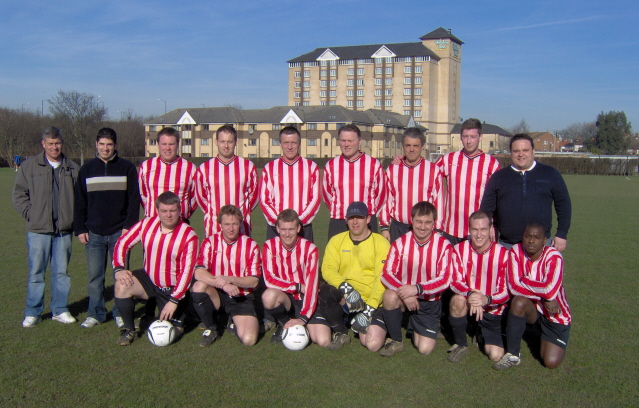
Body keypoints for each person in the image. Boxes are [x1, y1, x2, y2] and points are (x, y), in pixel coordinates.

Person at [12, 127, 79, 327]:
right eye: (50, 143)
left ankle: (60, 309)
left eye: (57, 143)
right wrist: (31, 214)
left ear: (62, 143)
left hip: (63, 231)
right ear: (43, 144)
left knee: (61, 273)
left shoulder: (72, 168)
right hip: (38, 230)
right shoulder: (30, 166)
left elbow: (81, 199)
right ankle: (33, 311)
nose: (54, 147)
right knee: (36, 272)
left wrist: (73, 219)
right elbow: (18, 195)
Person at [112, 192, 198, 346]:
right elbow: (123, 242)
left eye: (172, 211)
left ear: (179, 211)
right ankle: (129, 329)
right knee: (121, 285)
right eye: (164, 211)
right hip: (149, 281)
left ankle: (184, 311)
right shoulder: (147, 224)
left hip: (171, 289)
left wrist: (174, 300)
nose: (168, 215)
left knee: (173, 330)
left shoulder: (188, 235)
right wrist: (118, 268)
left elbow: (187, 272)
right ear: (158, 210)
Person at [368, 201, 453, 357]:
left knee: (424, 349)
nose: (422, 226)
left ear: (434, 223)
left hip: (428, 302)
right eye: (418, 221)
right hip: (403, 298)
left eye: (428, 222)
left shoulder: (444, 245)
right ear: (412, 221)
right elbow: (387, 274)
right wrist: (405, 293)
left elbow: (445, 279)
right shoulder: (400, 243)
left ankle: (411, 323)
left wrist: (417, 289)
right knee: (389, 296)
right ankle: (396, 340)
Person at [74, 128, 140, 328]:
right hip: (93, 233)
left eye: (109, 144)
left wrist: (128, 227)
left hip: (119, 234)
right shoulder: (87, 169)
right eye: (102, 144)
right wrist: (80, 228)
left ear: (115, 146)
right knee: (95, 277)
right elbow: (79, 202)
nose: (105, 148)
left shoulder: (127, 168)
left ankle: (120, 312)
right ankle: (96, 313)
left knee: (121, 276)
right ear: (96, 144)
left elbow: (133, 201)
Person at [493, 222, 571, 370]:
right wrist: (544, 297)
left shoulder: (554, 257)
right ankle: (512, 355)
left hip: (556, 315)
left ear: (545, 240)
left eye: (536, 237)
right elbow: (514, 287)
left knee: (550, 363)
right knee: (518, 302)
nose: (531, 240)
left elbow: (550, 290)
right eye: (527, 236)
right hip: (534, 311)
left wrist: (525, 280)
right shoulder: (516, 251)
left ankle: (541, 337)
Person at [480, 134, 572, 251]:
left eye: (525, 150)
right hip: (508, 245)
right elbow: (486, 208)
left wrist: (561, 234)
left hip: (541, 245)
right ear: (511, 153)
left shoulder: (550, 174)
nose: (521, 154)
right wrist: (489, 226)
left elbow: (564, 205)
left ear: (533, 151)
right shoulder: (499, 177)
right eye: (516, 151)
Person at [319, 201, 390, 350]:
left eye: (359, 217)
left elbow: (382, 278)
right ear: (346, 220)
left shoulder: (380, 243)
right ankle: (341, 332)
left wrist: (369, 308)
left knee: (371, 344)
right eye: (351, 218)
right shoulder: (337, 241)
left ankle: (373, 322)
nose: (355, 222)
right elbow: (327, 269)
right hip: (349, 298)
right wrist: (347, 289)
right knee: (326, 291)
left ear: (368, 219)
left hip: (372, 300)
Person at [191, 205, 261, 347]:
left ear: (240, 224)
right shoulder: (210, 242)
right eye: (227, 224)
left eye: (235, 224)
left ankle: (232, 318)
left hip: (241, 297)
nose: (231, 228)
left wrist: (231, 279)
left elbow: (254, 281)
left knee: (249, 340)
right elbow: (198, 272)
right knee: (198, 286)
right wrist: (223, 284)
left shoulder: (251, 245)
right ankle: (211, 328)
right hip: (217, 294)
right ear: (220, 225)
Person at [261, 209, 331, 347]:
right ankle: (284, 323)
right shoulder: (269, 246)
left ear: (298, 228)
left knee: (323, 341)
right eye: (284, 229)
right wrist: (297, 286)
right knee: (268, 296)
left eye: (291, 229)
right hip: (285, 298)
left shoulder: (310, 249)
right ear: (277, 228)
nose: (287, 234)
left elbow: (311, 286)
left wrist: (304, 318)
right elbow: (269, 279)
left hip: (305, 298)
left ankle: (302, 322)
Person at [448, 211, 509, 363]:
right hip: (470, 301)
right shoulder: (459, 249)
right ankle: (461, 344)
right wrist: (472, 294)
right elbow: (455, 281)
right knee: (456, 301)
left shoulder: (503, 254)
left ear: (490, 230)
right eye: (475, 229)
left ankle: (481, 332)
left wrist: (485, 299)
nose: (479, 234)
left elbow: (506, 292)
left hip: (492, 307)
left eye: (483, 229)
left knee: (495, 355)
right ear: (469, 229)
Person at [435, 118, 500, 245]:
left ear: (480, 137)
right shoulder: (449, 159)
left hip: (478, 231)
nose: (469, 141)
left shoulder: (491, 164)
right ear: (460, 137)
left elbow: (498, 198)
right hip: (451, 229)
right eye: (465, 136)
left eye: (473, 137)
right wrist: (403, 159)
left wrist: (494, 224)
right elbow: (427, 172)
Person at [322, 124, 386, 239]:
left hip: (366, 222)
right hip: (339, 221)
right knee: (337, 257)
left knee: (367, 257)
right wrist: (340, 210)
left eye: (350, 140)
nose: (346, 144)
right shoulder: (331, 165)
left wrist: (367, 213)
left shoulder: (373, 164)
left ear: (360, 141)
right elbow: (327, 196)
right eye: (343, 140)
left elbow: (381, 195)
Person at [380, 127, 442, 242]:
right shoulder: (393, 169)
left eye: (415, 146)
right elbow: (387, 199)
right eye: (408, 145)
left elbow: (438, 202)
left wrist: (436, 229)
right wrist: (384, 227)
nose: (411, 149)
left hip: (423, 229)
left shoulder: (433, 170)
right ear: (403, 146)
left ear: (422, 146)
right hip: (398, 228)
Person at [260, 126, 320, 242]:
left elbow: (316, 199)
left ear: (299, 143)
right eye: (286, 142)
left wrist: (298, 222)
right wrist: (280, 223)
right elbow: (264, 200)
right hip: (276, 228)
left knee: (303, 260)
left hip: (302, 227)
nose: (290, 146)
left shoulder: (311, 167)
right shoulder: (269, 168)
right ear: (280, 144)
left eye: (293, 142)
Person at [196, 125, 258, 237]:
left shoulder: (248, 166)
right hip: (214, 228)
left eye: (229, 142)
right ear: (216, 142)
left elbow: (254, 196)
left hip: (241, 228)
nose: (226, 146)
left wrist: (242, 212)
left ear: (236, 142)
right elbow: (201, 198)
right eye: (222, 141)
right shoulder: (204, 168)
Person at [138, 127, 198, 222]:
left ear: (178, 144)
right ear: (158, 144)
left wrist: (183, 213)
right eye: (164, 144)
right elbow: (142, 195)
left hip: (180, 225)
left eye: (171, 144)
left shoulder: (190, 168)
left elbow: (195, 197)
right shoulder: (145, 166)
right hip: (152, 225)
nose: (167, 148)